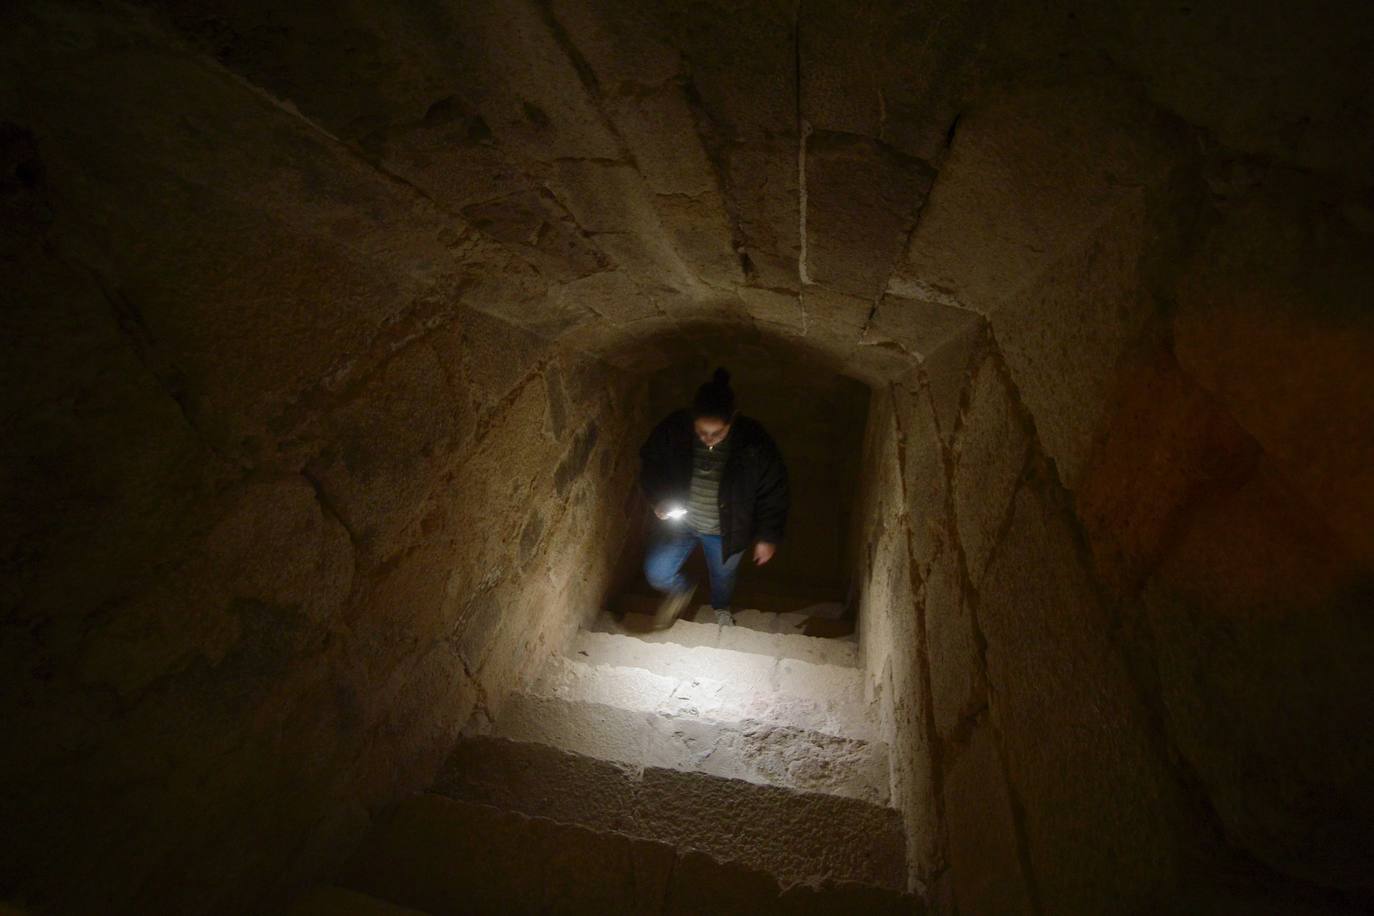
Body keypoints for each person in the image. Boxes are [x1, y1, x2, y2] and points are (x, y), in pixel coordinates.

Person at [638, 368, 789, 628]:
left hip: (727, 530)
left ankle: (720, 606)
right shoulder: (674, 430)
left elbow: (774, 490)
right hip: (682, 523)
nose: (708, 439)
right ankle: (681, 590)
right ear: (692, 419)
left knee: (723, 577)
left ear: (733, 420)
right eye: (701, 432)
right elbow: (651, 463)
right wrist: (658, 500)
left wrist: (768, 536)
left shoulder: (755, 442)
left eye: (717, 434)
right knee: (657, 572)